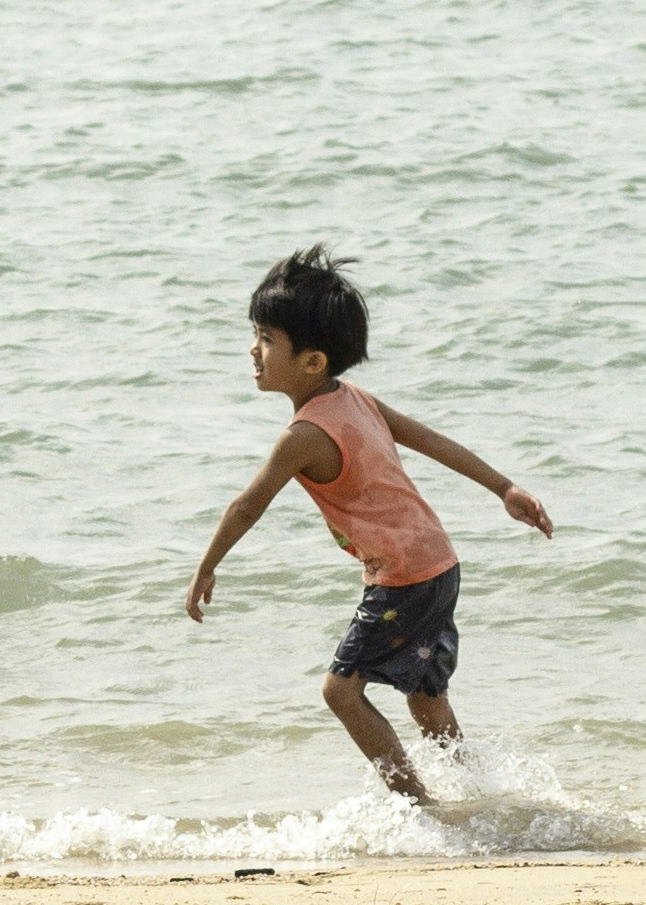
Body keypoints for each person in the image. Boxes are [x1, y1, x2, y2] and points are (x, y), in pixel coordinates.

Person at [180, 246, 551, 800]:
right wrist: (502, 486)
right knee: (425, 697)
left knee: (340, 692)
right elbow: (428, 438)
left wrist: (206, 567)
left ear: (313, 361)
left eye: (266, 340)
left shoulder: (303, 436)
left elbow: (246, 505)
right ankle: (482, 796)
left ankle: (419, 807)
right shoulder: (353, 397)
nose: (252, 351)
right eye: (256, 334)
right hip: (439, 564)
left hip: (405, 576)